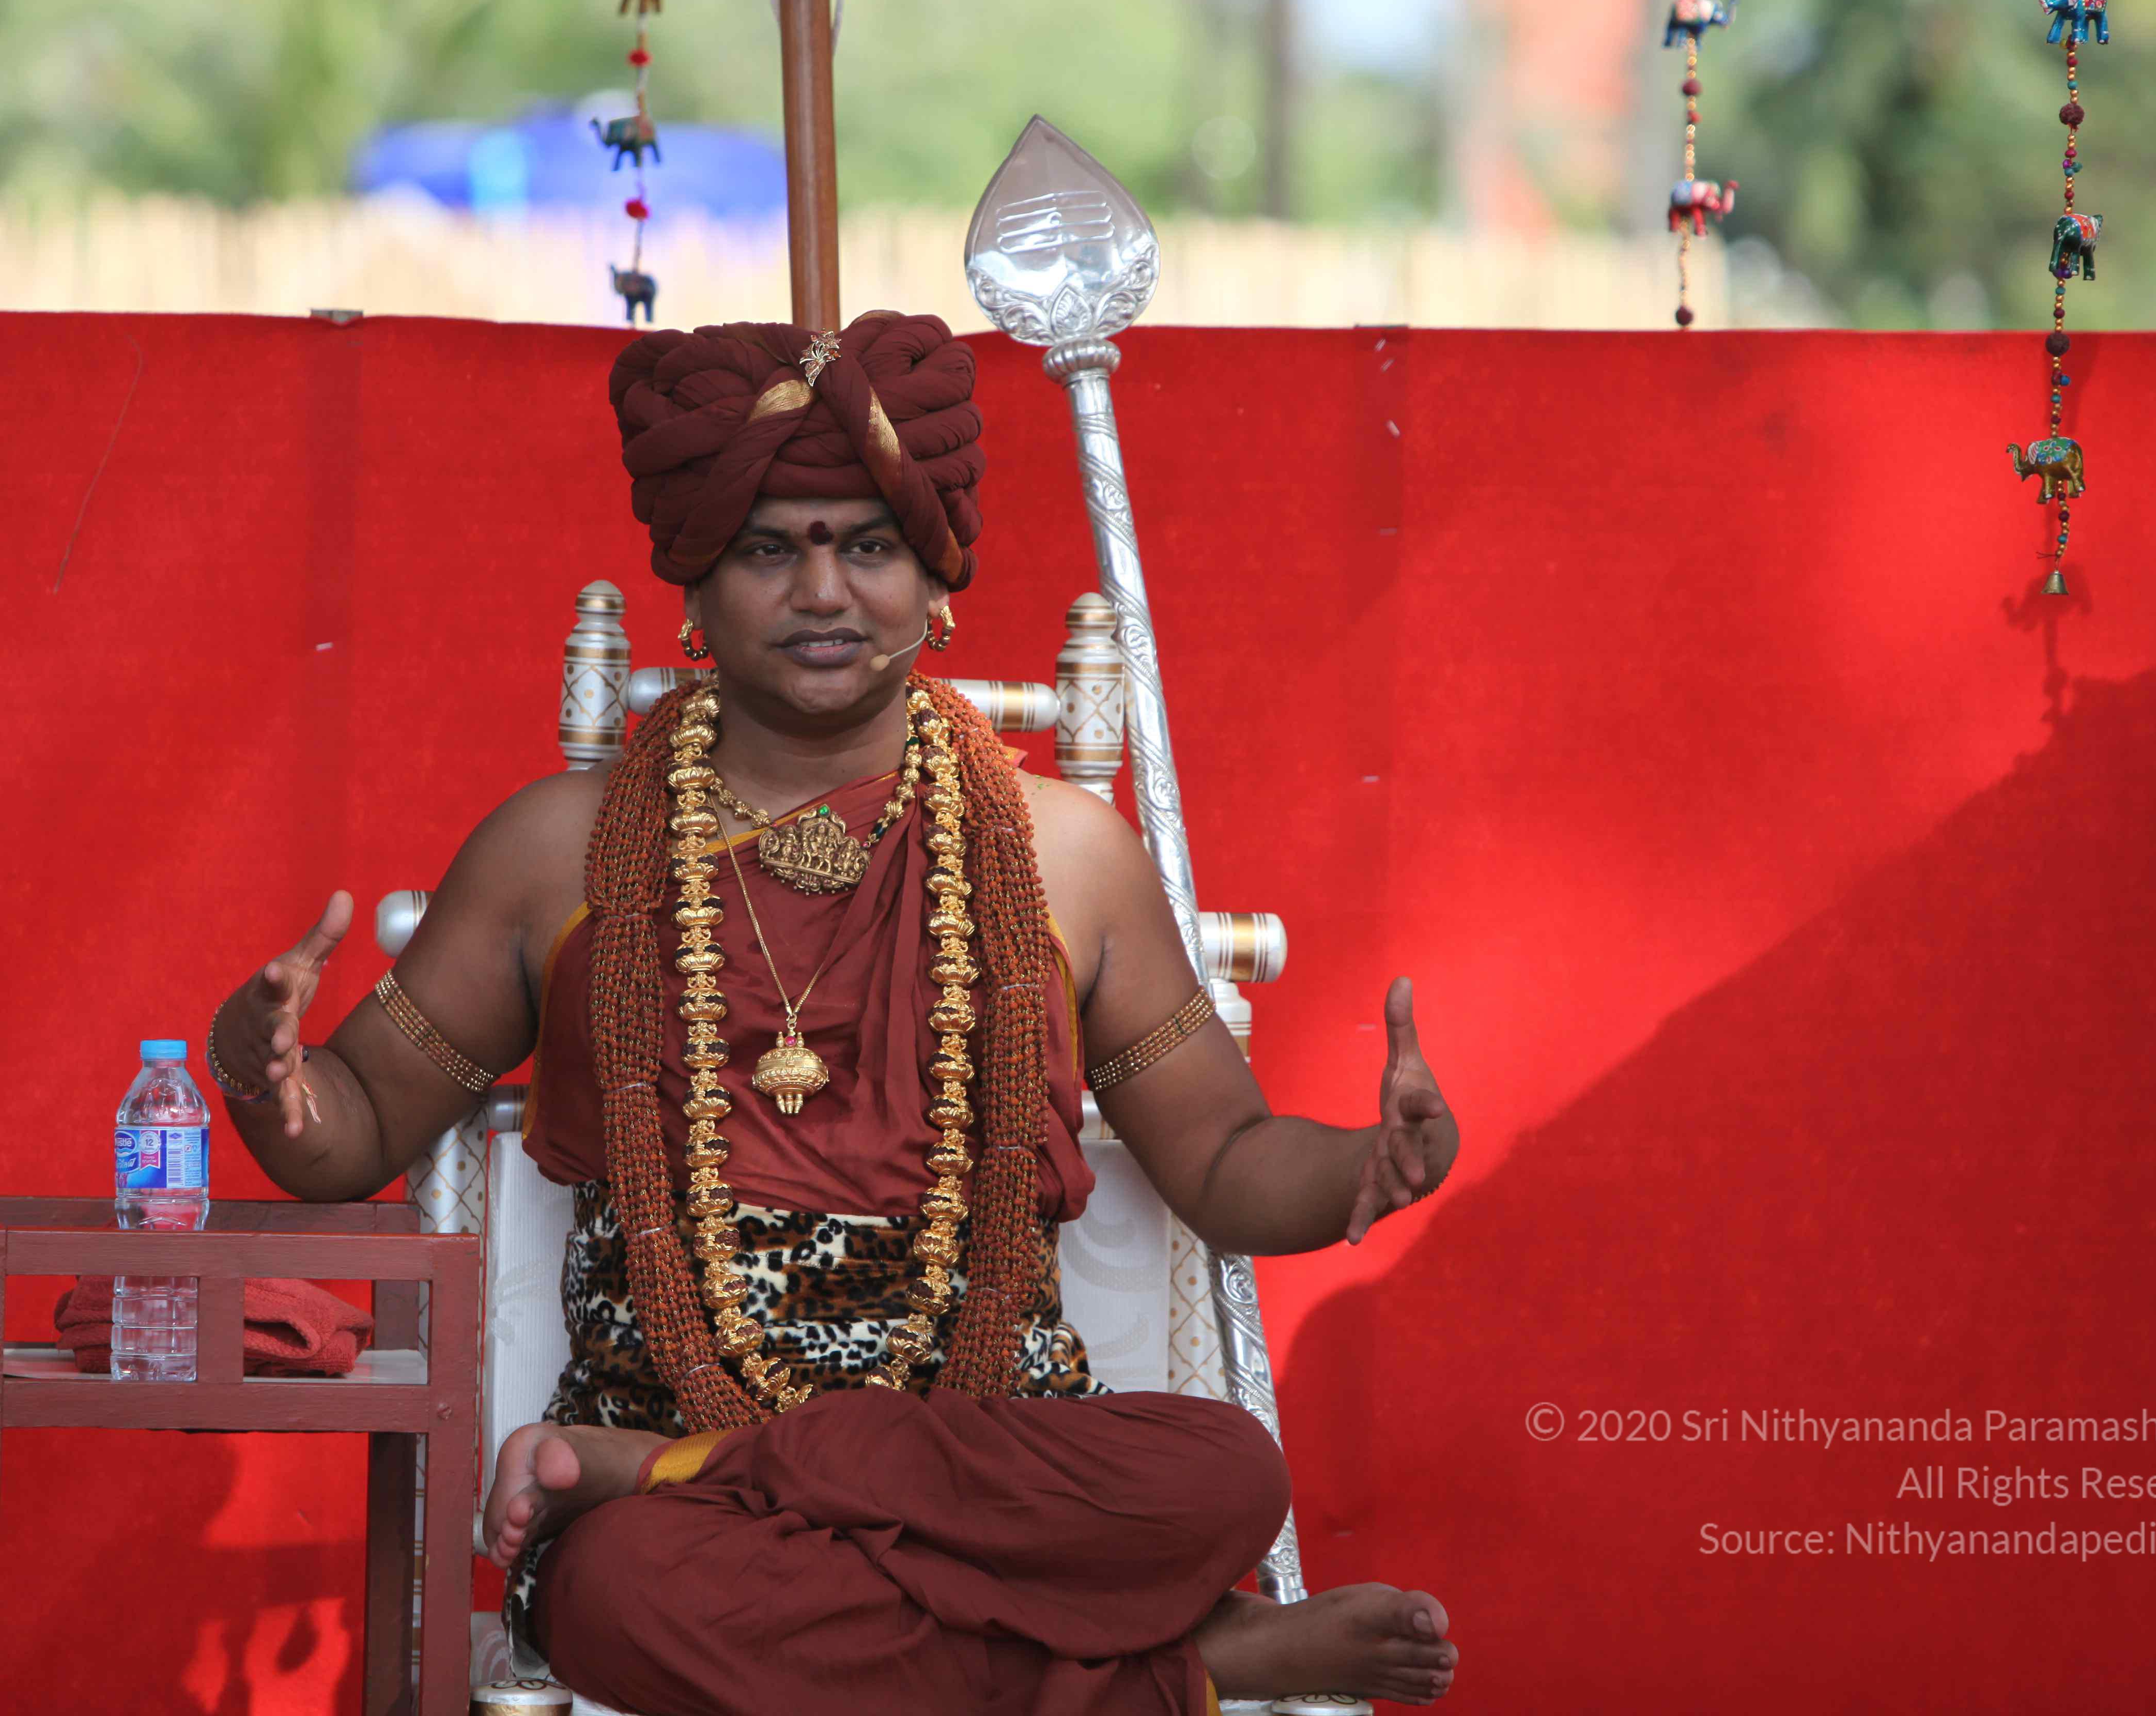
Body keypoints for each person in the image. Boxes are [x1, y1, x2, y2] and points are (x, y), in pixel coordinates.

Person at [209, 311, 1465, 1713]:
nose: (823, 590)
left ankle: (747, 1510)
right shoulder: (558, 850)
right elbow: (352, 1124)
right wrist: (266, 1077)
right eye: (770, 549)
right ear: (696, 583)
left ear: (935, 579)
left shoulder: (1066, 855)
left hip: (980, 1461)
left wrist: (1367, 1164)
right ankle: (1182, 1668)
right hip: (680, 1496)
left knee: (1224, 1474)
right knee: (622, 1595)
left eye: (868, 545)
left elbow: (1224, 1160)